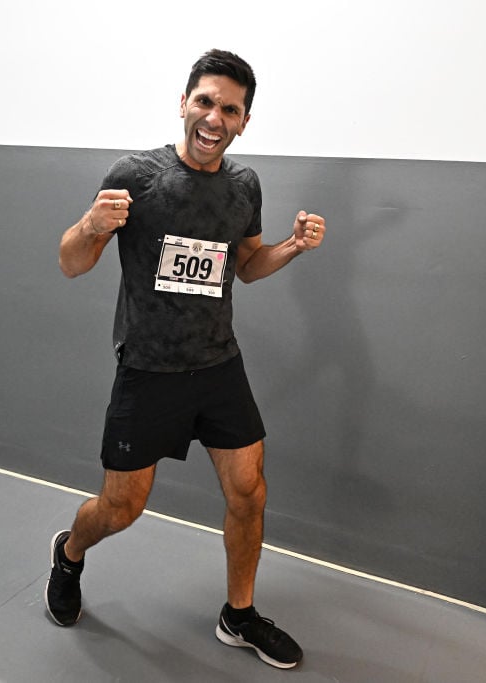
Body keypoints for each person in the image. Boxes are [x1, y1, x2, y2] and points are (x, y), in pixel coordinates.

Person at [46, 48, 326, 670]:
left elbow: (247, 267)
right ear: (184, 103)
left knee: (248, 491)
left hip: (218, 365)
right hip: (148, 369)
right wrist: (92, 224)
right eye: (205, 101)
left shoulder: (243, 186)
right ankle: (69, 553)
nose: (215, 117)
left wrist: (293, 248)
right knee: (121, 508)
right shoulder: (136, 175)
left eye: (231, 109)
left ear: (244, 121)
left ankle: (239, 615)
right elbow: (70, 261)